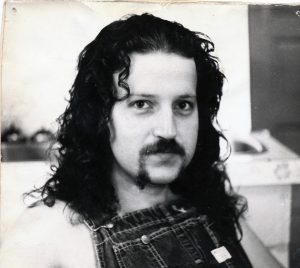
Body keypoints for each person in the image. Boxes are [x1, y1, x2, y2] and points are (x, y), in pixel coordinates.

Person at [0, 13, 283, 268]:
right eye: (142, 104)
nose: (168, 130)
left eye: (183, 105)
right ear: (100, 116)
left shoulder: (212, 207)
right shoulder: (50, 232)